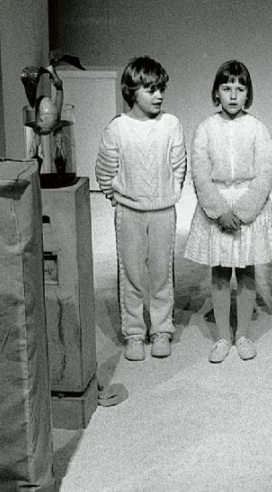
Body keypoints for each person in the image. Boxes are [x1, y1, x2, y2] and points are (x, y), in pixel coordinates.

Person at [184, 60, 272, 363]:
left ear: (248, 93)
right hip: (218, 208)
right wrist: (219, 211)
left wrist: (245, 211)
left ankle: (243, 334)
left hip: (249, 208)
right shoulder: (205, 130)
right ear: (217, 93)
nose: (233, 95)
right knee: (221, 273)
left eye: (240, 88)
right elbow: (200, 174)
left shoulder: (258, 129)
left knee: (247, 272)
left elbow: (265, 173)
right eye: (227, 88)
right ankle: (224, 335)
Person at [95, 56, 187, 361]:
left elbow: (178, 165)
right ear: (132, 91)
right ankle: (134, 332)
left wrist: (171, 193)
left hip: (163, 210)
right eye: (150, 90)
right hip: (129, 212)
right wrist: (116, 197)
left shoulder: (171, 125)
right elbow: (105, 169)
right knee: (131, 273)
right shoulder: (117, 128)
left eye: (161, 89)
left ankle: (161, 329)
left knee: (161, 273)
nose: (158, 95)